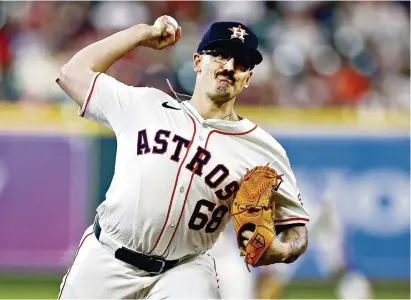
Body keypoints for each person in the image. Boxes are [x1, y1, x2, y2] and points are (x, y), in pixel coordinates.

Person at [56, 15, 310, 299]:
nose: (228, 67)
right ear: (197, 61)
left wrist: (284, 250)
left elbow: (296, 231)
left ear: (248, 78)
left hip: (184, 272)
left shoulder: (265, 150)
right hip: (106, 257)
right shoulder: (145, 105)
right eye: (220, 55)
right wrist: (140, 33)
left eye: (240, 63)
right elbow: (71, 73)